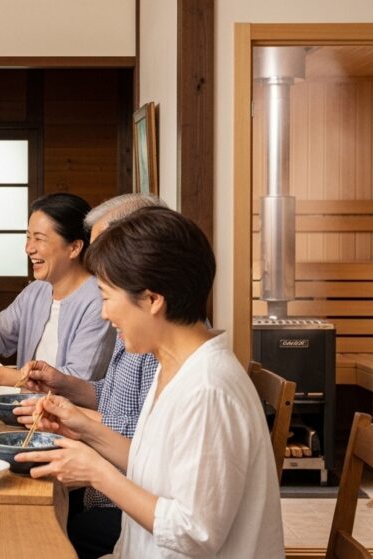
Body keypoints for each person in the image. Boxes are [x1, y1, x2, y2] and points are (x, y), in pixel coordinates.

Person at [17, 206, 284, 558]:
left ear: (153, 300)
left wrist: (97, 473)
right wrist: (82, 427)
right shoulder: (173, 366)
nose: (104, 313)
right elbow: (152, 467)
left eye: (107, 297)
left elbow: (194, 532)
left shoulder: (208, 390)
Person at [17, 193, 165, 558]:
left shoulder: (161, 341)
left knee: (31, 531)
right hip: (108, 492)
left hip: (122, 502)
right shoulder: (134, 322)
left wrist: (79, 423)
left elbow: (151, 447)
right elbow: (111, 396)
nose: (95, 264)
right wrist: (63, 386)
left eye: (105, 250)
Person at [0, 193, 115, 387]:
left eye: (39, 239)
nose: (28, 248)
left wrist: (3, 376)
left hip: (65, 408)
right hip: (26, 405)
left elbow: (79, 382)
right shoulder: (36, 292)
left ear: (74, 247)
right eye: (28, 237)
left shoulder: (100, 301)